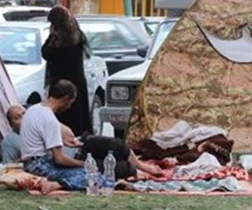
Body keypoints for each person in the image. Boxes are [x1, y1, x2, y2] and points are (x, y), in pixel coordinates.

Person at [21, 80, 164, 194]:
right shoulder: (49, 118)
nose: (70, 107)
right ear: (66, 99)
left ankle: (136, 167)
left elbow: (47, 135)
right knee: (94, 176)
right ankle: (57, 184)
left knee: (104, 160)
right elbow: (60, 159)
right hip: (40, 165)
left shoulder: (34, 109)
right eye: (71, 102)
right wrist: (86, 165)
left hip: (31, 162)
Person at [42, 5, 92, 136]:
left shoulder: (59, 41)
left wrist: (51, 36)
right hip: (77, 82)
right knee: (79, 118)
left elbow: (46, 52)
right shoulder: (76, 35)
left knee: (64, 117)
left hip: (62, 85)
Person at [1, 104, 82, 164]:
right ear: (11, 125)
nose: (23, 118)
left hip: (69, 157)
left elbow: (68, 135)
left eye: (24, 114)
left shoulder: (38, 127)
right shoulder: (9, 140)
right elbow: (7, 167)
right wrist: (25, 159)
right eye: (17, 118)